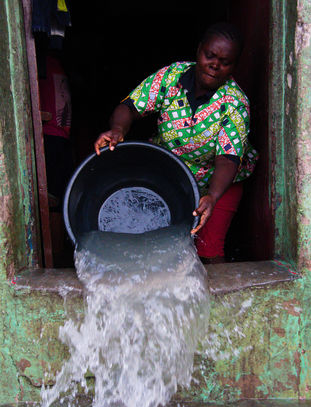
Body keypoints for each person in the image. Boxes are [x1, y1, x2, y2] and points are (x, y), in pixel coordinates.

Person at [94, 22, 256, 263]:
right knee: (157, 239)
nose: (215, 65)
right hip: (169, 173)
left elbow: (228, 158)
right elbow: (131, 106)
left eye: (225, 62)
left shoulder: (235, 103)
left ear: (234, 65)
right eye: (209, 55)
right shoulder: (172, 77)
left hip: (218, 184)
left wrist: (211, 196)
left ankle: (215, 299)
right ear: (199, 49)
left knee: (209, 251)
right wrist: (118, 129)